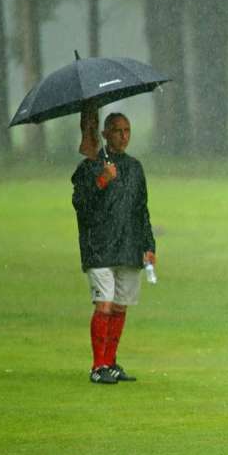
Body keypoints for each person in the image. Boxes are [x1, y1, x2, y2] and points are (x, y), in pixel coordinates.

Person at [72, 103, 156, 384]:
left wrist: (149, 245)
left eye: (127, 130)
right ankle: (98, 367)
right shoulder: (91, 167)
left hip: (129, 246)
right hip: (99, 247)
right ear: (105, 133)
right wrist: (102, 180)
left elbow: (142, 208)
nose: (123, 136)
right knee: (104, 305)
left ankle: (111, 362)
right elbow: (80, 204)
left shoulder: (134, 167)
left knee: (120, 306)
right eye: (117, 131)